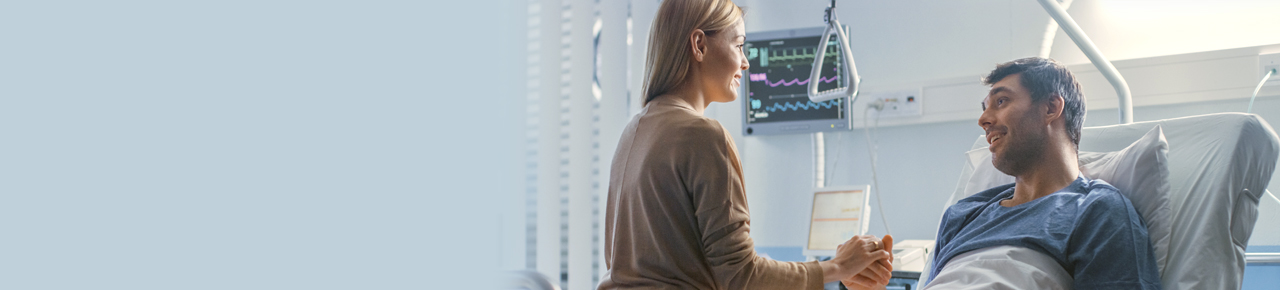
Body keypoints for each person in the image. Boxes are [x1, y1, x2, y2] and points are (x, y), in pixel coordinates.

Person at [598, 0, 893, 289]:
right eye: (739, 45)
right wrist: (838, 266)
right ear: (699, 45)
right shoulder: (704, 136)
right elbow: (742, 277)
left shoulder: (632, 133)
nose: (746, 62)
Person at [924, 57, 1161, 289]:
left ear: (1051, 107)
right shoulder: (964, 214)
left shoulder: (1098, 210)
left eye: (1001, 101)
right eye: (985, 108)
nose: (983, 120)